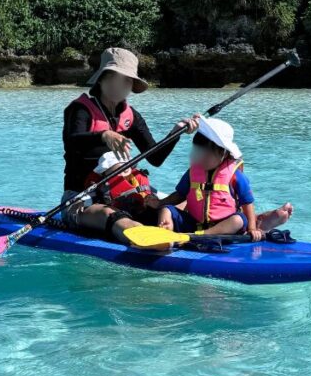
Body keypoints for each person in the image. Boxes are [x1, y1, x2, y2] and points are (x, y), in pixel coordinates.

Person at [61, 47, 198, 241]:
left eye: (131, 79)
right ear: (104, 77)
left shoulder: (131, 116)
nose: (129, 84)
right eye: (124, 77)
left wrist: (175, 133)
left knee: (182, 204)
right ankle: (147, 238)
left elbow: (155, 158)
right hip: (82, 198)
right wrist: (104, 135)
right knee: (110, 215)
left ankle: (224, 225)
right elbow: (73, 141)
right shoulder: (80, 110)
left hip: (126, 194)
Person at [147, 118, 293, 242]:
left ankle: (203, 236)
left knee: (238, 219)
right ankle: (166, 232)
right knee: (167, 210)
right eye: (197, 153)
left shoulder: (235, 175)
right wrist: (160, 203)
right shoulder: (193, 172)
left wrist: (252, 229)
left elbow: (247, 203)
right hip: (194, 223)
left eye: (206, 155)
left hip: (224, 226)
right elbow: (179, 195)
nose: (199, 159)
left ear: (222, 153)